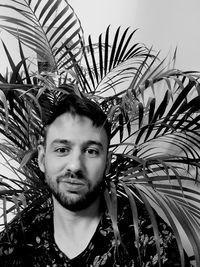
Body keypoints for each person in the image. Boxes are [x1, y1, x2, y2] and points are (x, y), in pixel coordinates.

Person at [0, 93, 191, 266]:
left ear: (107, 164)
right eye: (62, 150)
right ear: (42, 159)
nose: (75, 166)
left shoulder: (146, 236)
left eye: (91, 151)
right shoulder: (18, 238)